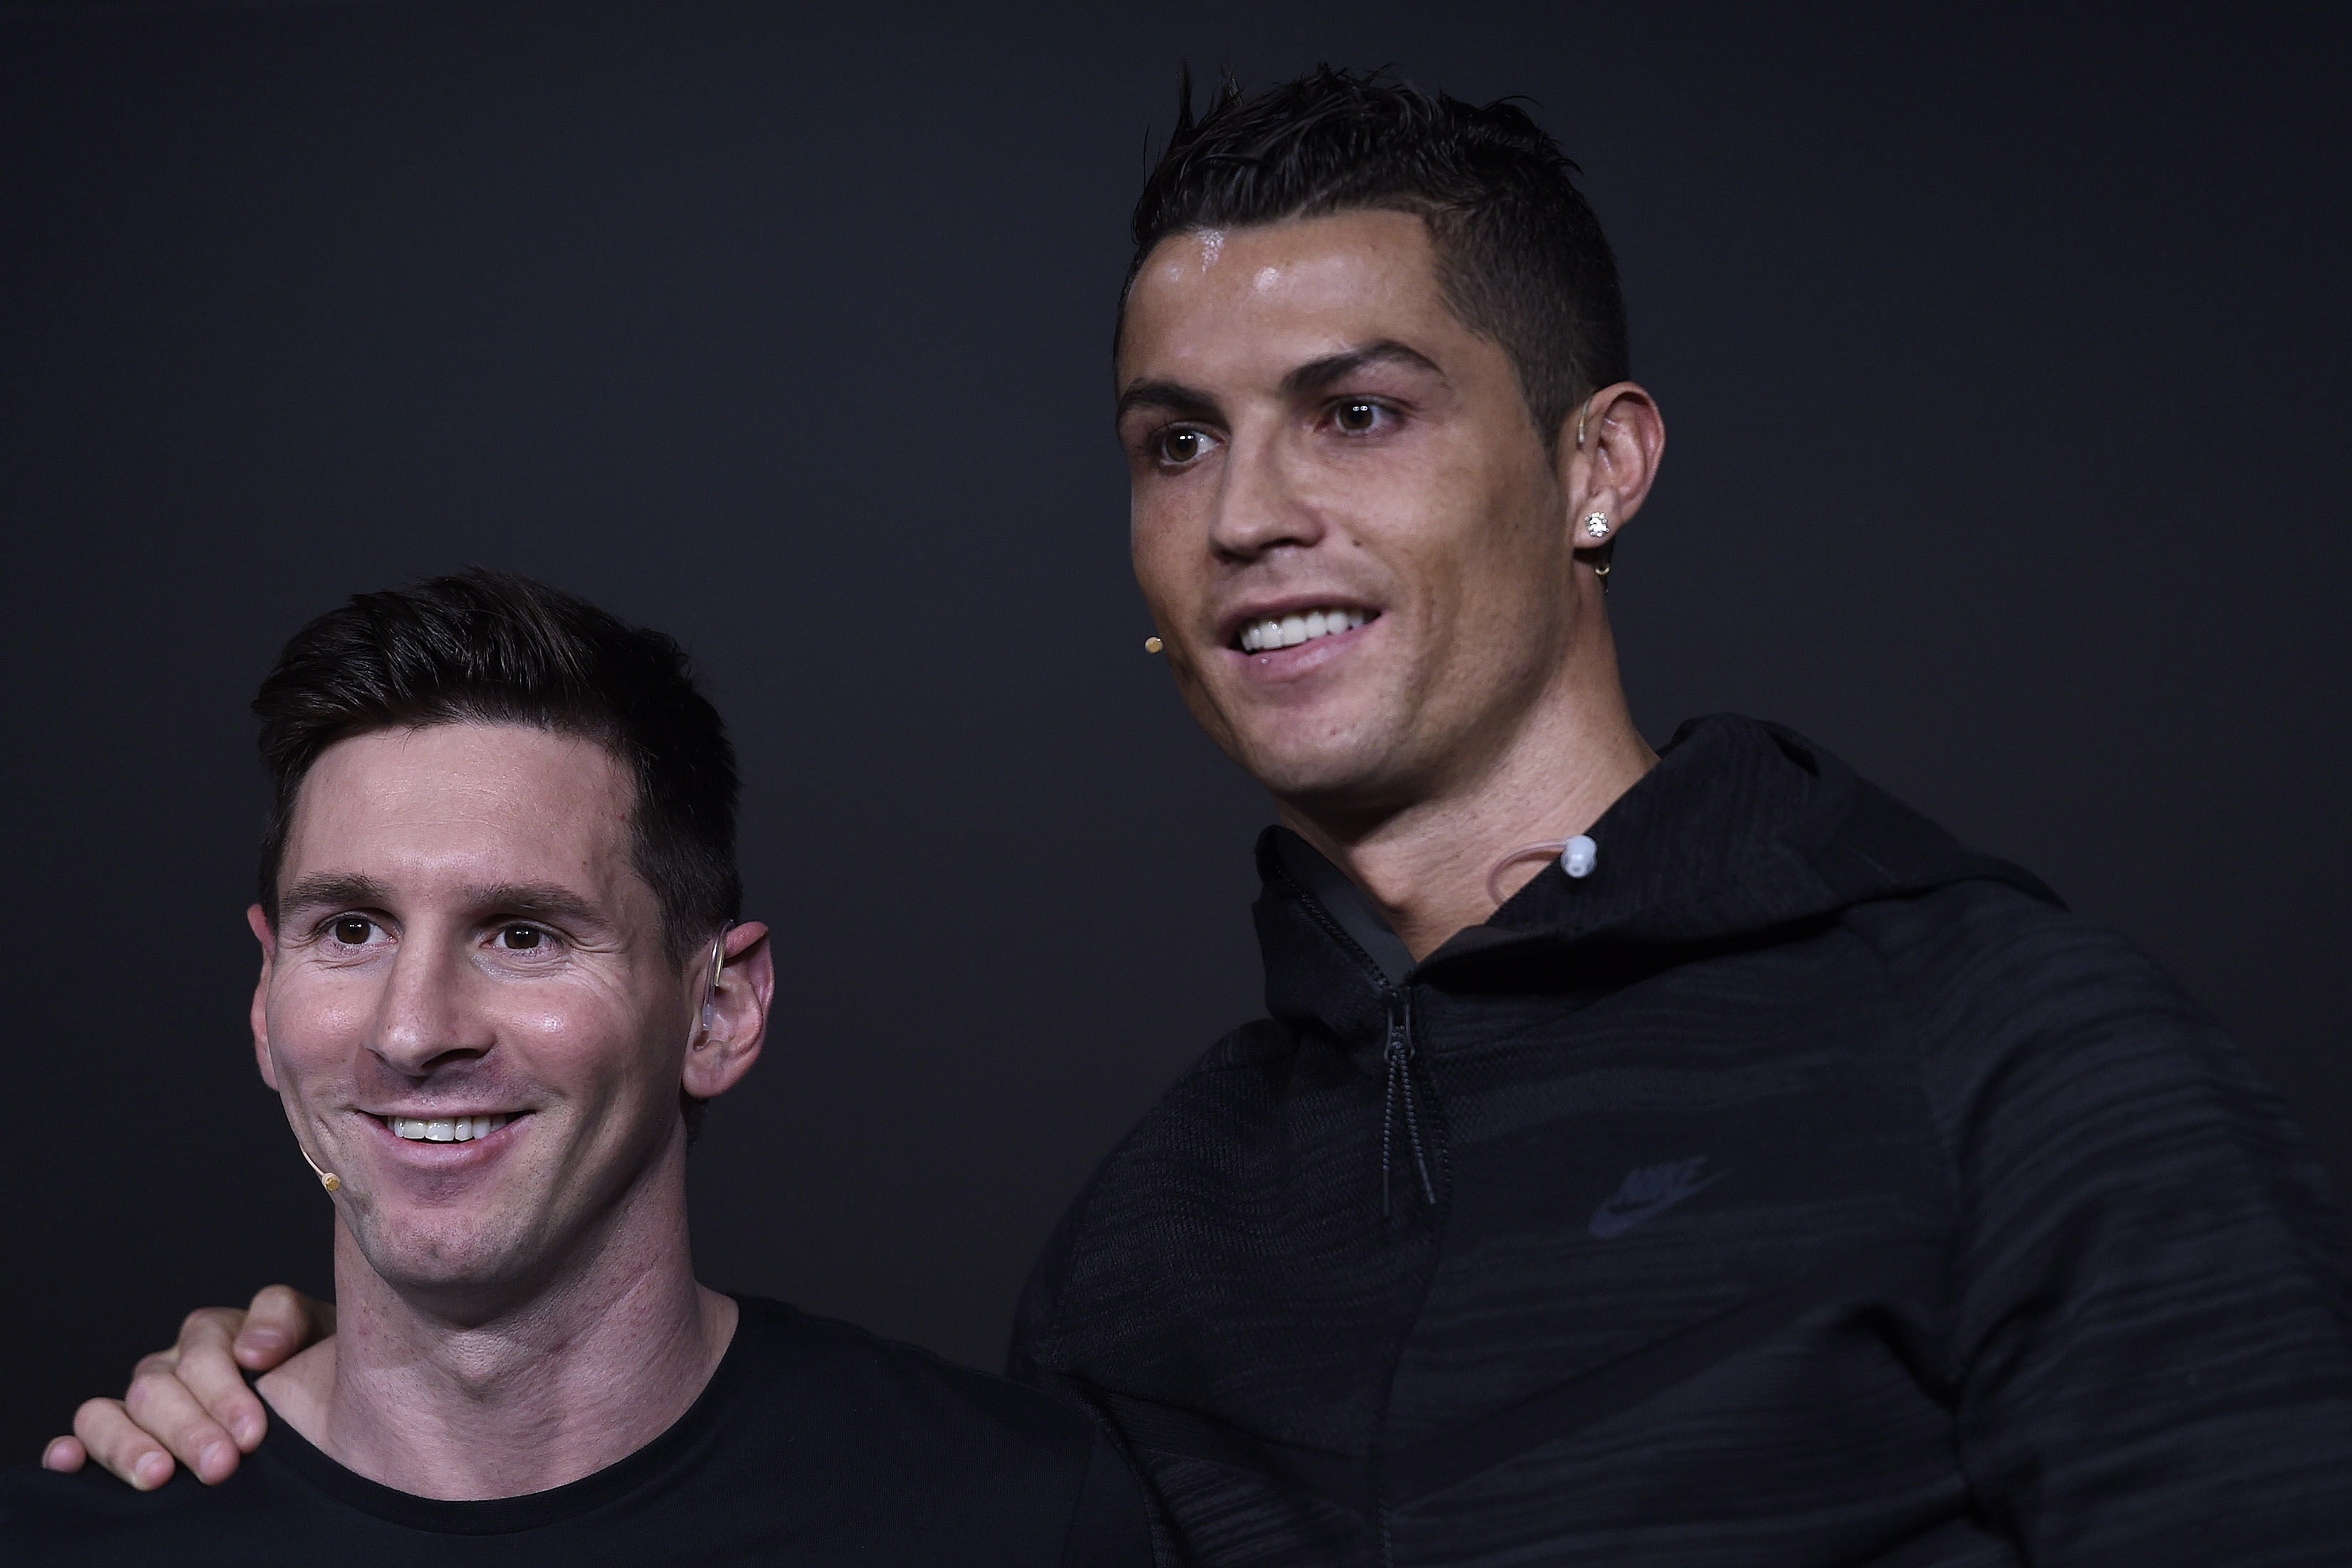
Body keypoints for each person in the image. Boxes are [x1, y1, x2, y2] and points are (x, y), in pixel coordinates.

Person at [54, 68, 2352, 1567]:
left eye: (1353, 413)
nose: (1248, 511)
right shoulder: (1151, 1246)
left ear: (1593, 467)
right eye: (1175, 442)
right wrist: (308, 1411)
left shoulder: (2001, 1057)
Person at [6, 570, 1151, 1566]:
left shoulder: (1014, 1517)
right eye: (351, 929)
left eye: (521, 935)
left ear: (716, 1012)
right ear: (265, 997)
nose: (411, 1031)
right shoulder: (71, 1542)